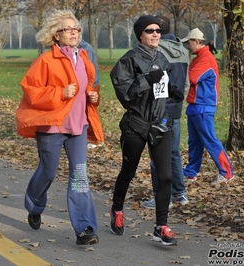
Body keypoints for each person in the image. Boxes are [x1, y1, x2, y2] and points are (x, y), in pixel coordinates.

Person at [15, 9, 104, 245]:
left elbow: (91, 88)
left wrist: (94, 97)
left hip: (78, 127)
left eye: (76, 29)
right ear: (56, 35)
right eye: (68, 29)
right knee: (48, 171)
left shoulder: (84, 58)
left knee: (79, 176)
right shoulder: (45, 60)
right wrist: (60, 93)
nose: (74, 32)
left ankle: (84, 228)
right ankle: (34, 205)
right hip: (52, 127)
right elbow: (31, 91)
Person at [109, 15, 184, 246]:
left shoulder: (162, 58)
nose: (155, 34)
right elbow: (126, 95)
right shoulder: (128, 60)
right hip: (136, 124)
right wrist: (145, 81)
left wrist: (171, 91)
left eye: (158, 31)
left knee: (166, 175)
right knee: (128, 172)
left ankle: (161, 226)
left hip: (160, 124)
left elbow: (159, 89)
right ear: (140, 34)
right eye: (150, 30)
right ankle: (117, 209)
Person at [142, 15, 190, 209]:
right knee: (174, 153)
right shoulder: (183, 50)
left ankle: (162, 198)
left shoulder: (156, 50)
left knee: (157, 156)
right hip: (175, 108)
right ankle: (180, 193)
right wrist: (178, 101)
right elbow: (185, 83)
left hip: (159, 110)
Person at [181, 28, 234, 184]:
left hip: (203, 106)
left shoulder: (205, 58)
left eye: (188, 43)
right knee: (194, 141)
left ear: (197, 42)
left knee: (210, 140)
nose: (187, 46)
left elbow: (189, 79)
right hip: (195, 106)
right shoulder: (199, 57)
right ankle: (191, 172)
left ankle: (227, 172)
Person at [78, 39, 104, 149]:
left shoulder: (84, 47)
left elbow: (88, 69)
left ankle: (96, 139)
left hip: (90, 83)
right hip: (85, 83)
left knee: (90, 111)